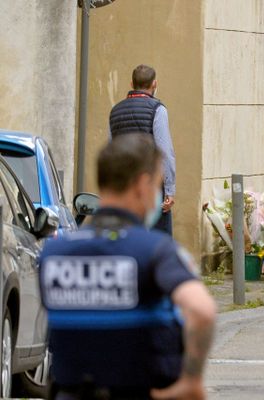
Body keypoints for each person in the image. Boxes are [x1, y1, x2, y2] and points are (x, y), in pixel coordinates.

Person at [39, 134, 216, 400]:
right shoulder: (156, 251)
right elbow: (202, 310)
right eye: (158, 185)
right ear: (143, 185)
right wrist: (191, 381)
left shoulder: (54, 253)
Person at [109, 64, 176, 235]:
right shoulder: (157, 110)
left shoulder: (115, 111)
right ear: (154, 84)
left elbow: (110, 152)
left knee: (124, 238)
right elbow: (164, 151)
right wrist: (169, 189)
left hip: (123, 188)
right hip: (150, 186)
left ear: (131, 84)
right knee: (157, 243)